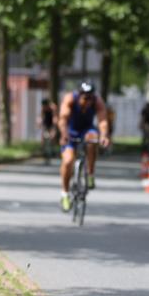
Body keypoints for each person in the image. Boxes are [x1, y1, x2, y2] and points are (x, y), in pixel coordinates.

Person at [58, 82, 110, 212]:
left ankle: (90, 173)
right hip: (70, 131)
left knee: (93, 140)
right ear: (79, 95)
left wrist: (103, 136)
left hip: (87, 130)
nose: (88, 101)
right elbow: (63, 118)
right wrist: (64, 134)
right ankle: (65, 194)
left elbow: (102, 120)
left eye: (90, 98)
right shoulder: (70, 99)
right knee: (68, 161)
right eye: (85, 98)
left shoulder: (97, 101)